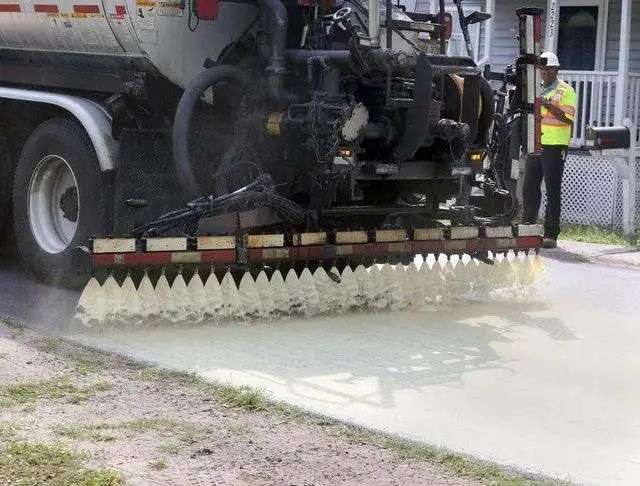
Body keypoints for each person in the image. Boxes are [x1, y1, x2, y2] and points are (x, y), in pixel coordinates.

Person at [522, 51, 577, 249]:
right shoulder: (537, 89)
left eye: (547, 70)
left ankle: (551, 234)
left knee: (552, 190)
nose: (543, 73)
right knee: (529, 187)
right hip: (535, 144)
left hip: (555, 146)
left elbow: (567, 118)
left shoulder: (565, 90)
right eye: (541, 70)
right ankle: (527, 226)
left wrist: (548, 105)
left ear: (555, 70)